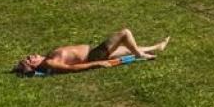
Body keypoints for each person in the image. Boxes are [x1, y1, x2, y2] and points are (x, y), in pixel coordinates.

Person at [14, 29, 170, 76]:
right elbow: (71, 68)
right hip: (93, 55)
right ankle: (139, 54)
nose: (32, 55)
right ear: (33, 65)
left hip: (93, 51)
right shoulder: (49, 62)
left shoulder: (48, 57)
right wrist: (97, 63)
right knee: (124, 34)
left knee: (127, 47)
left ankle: (157, 47)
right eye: (30, 59)